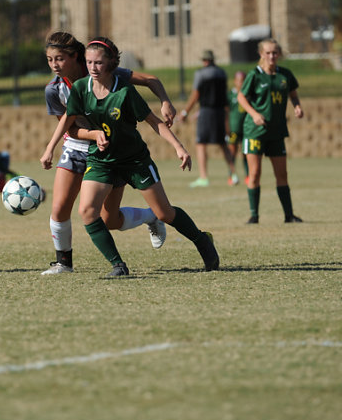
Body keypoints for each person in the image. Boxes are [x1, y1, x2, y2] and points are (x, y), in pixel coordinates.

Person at [50, 37, 219, 277]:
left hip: (134, 160)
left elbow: (154, 122)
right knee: (88, 212)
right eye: (89, 62)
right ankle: (118, 265)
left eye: (98, 63)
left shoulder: (125, 91)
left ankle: (202, 240)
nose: (93, 68)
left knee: (164, 213)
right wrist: (50, 148)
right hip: (101, 160)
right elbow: (69, 124)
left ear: (110, 63)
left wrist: (179, 147)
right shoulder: (80, 88)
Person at [38, 31, 176, 275]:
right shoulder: (53, 90)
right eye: (50, 60)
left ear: (75, 57)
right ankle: (63, 263)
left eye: (59, 59)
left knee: (110, 221)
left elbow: (151, 80)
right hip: (77, 147)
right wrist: (89, 136)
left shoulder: (102, 71)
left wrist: (165, 101)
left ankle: (151, 217)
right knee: (59, 208)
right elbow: (70, 129)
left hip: (110, 152)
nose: (54, 65)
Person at [237, 38, 304, 224]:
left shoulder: (285, 75)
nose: (272, 56)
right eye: (268, 53)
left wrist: (297, 106)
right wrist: (254, 114)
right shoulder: (255, 75)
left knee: (282, 174)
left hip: (277, 131)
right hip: (255, 131)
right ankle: (254, 216)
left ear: (279, 54)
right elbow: (241, 97)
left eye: (275, 52)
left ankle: (289, 216)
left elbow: (293, 95)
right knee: (255, 173)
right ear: (261, 54)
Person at [180, 50, 238, 187]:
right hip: (220, 111)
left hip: (206, 111)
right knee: (223, 144)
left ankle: (203, 177)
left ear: (204, 60)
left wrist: (185, 112)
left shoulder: (200, 74)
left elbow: (195, 95)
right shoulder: (222, 73)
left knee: (201, 143)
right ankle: (233, 174)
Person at [227, 71, 249, 185]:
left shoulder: (248, 94)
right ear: (235, 81)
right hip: (233, 129)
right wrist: (226, 128)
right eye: (240, 81)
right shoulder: (230, 95)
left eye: (244, 81)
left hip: (246, 129)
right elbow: (226, 112)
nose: (242, 83)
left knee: (246, 152)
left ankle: (248, 176)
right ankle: (231, 175)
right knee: (232, 152)